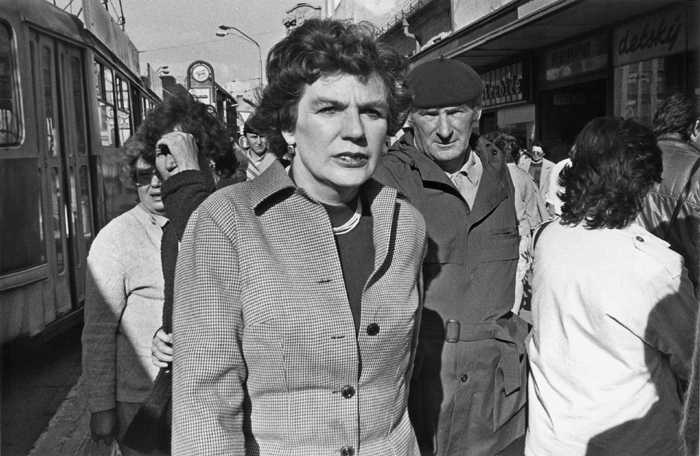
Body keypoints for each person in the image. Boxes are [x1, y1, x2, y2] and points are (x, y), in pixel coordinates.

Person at [171, 18, 426, 455]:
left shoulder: (406, 224)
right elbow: (204, 409)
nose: (355, 131)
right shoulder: (227, 223)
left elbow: (403, 380)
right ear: (289, 126)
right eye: (329, 109)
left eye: (372, 112)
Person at [373, 58, 528, 456]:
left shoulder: (502, 176)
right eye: (429, 115)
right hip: (422, 391)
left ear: (476, 112)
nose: (444, 129)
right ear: (410, 119)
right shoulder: (385, 181)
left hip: (495, 398)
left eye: (455, 112)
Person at [526, 117, 696, 456]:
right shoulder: (655, 266)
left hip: (552, 440)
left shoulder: (548, 238)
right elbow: (691, 359)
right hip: (632, 444)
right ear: (643, 184)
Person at [120, 93, 240, 454]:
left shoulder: (236, 201)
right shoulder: (173, 227)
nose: (168, 164)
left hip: (229, 398)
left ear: (210, 158)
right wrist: (164, 335)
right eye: (162, 153)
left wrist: (187, 178)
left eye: (180, 149)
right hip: (188, 388)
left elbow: (220, 256)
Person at [82, 137, 168, 456]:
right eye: (144, 175)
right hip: (140, 401)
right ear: (133, 181)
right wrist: (101, 408)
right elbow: (98, 331)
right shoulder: (115, 239)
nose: (155, 183)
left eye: (163, 173)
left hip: (195, 394)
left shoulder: (199, 224)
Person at [637, 92, 700, 295]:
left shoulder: (629, 160)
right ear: (696, 127)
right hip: (683, 292)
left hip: (632, 286)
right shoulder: (697, 169)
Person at [493, 134, 546, 313]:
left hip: (495, 233)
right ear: (517, 155)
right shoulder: (524, 177)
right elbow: (532, 214)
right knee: (518, 277)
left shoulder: (489, 175)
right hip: (521, 233)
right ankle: (513, 315)